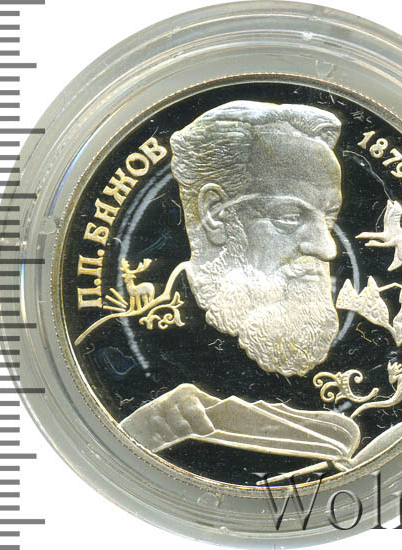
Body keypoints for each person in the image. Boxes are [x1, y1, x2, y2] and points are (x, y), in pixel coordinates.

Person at [119, 101, 360, 468]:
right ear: (215, 215)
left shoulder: (366, 343)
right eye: (290, 217)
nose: (327, 249)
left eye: (328, 219)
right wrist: (134, 439)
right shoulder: (122, 345)